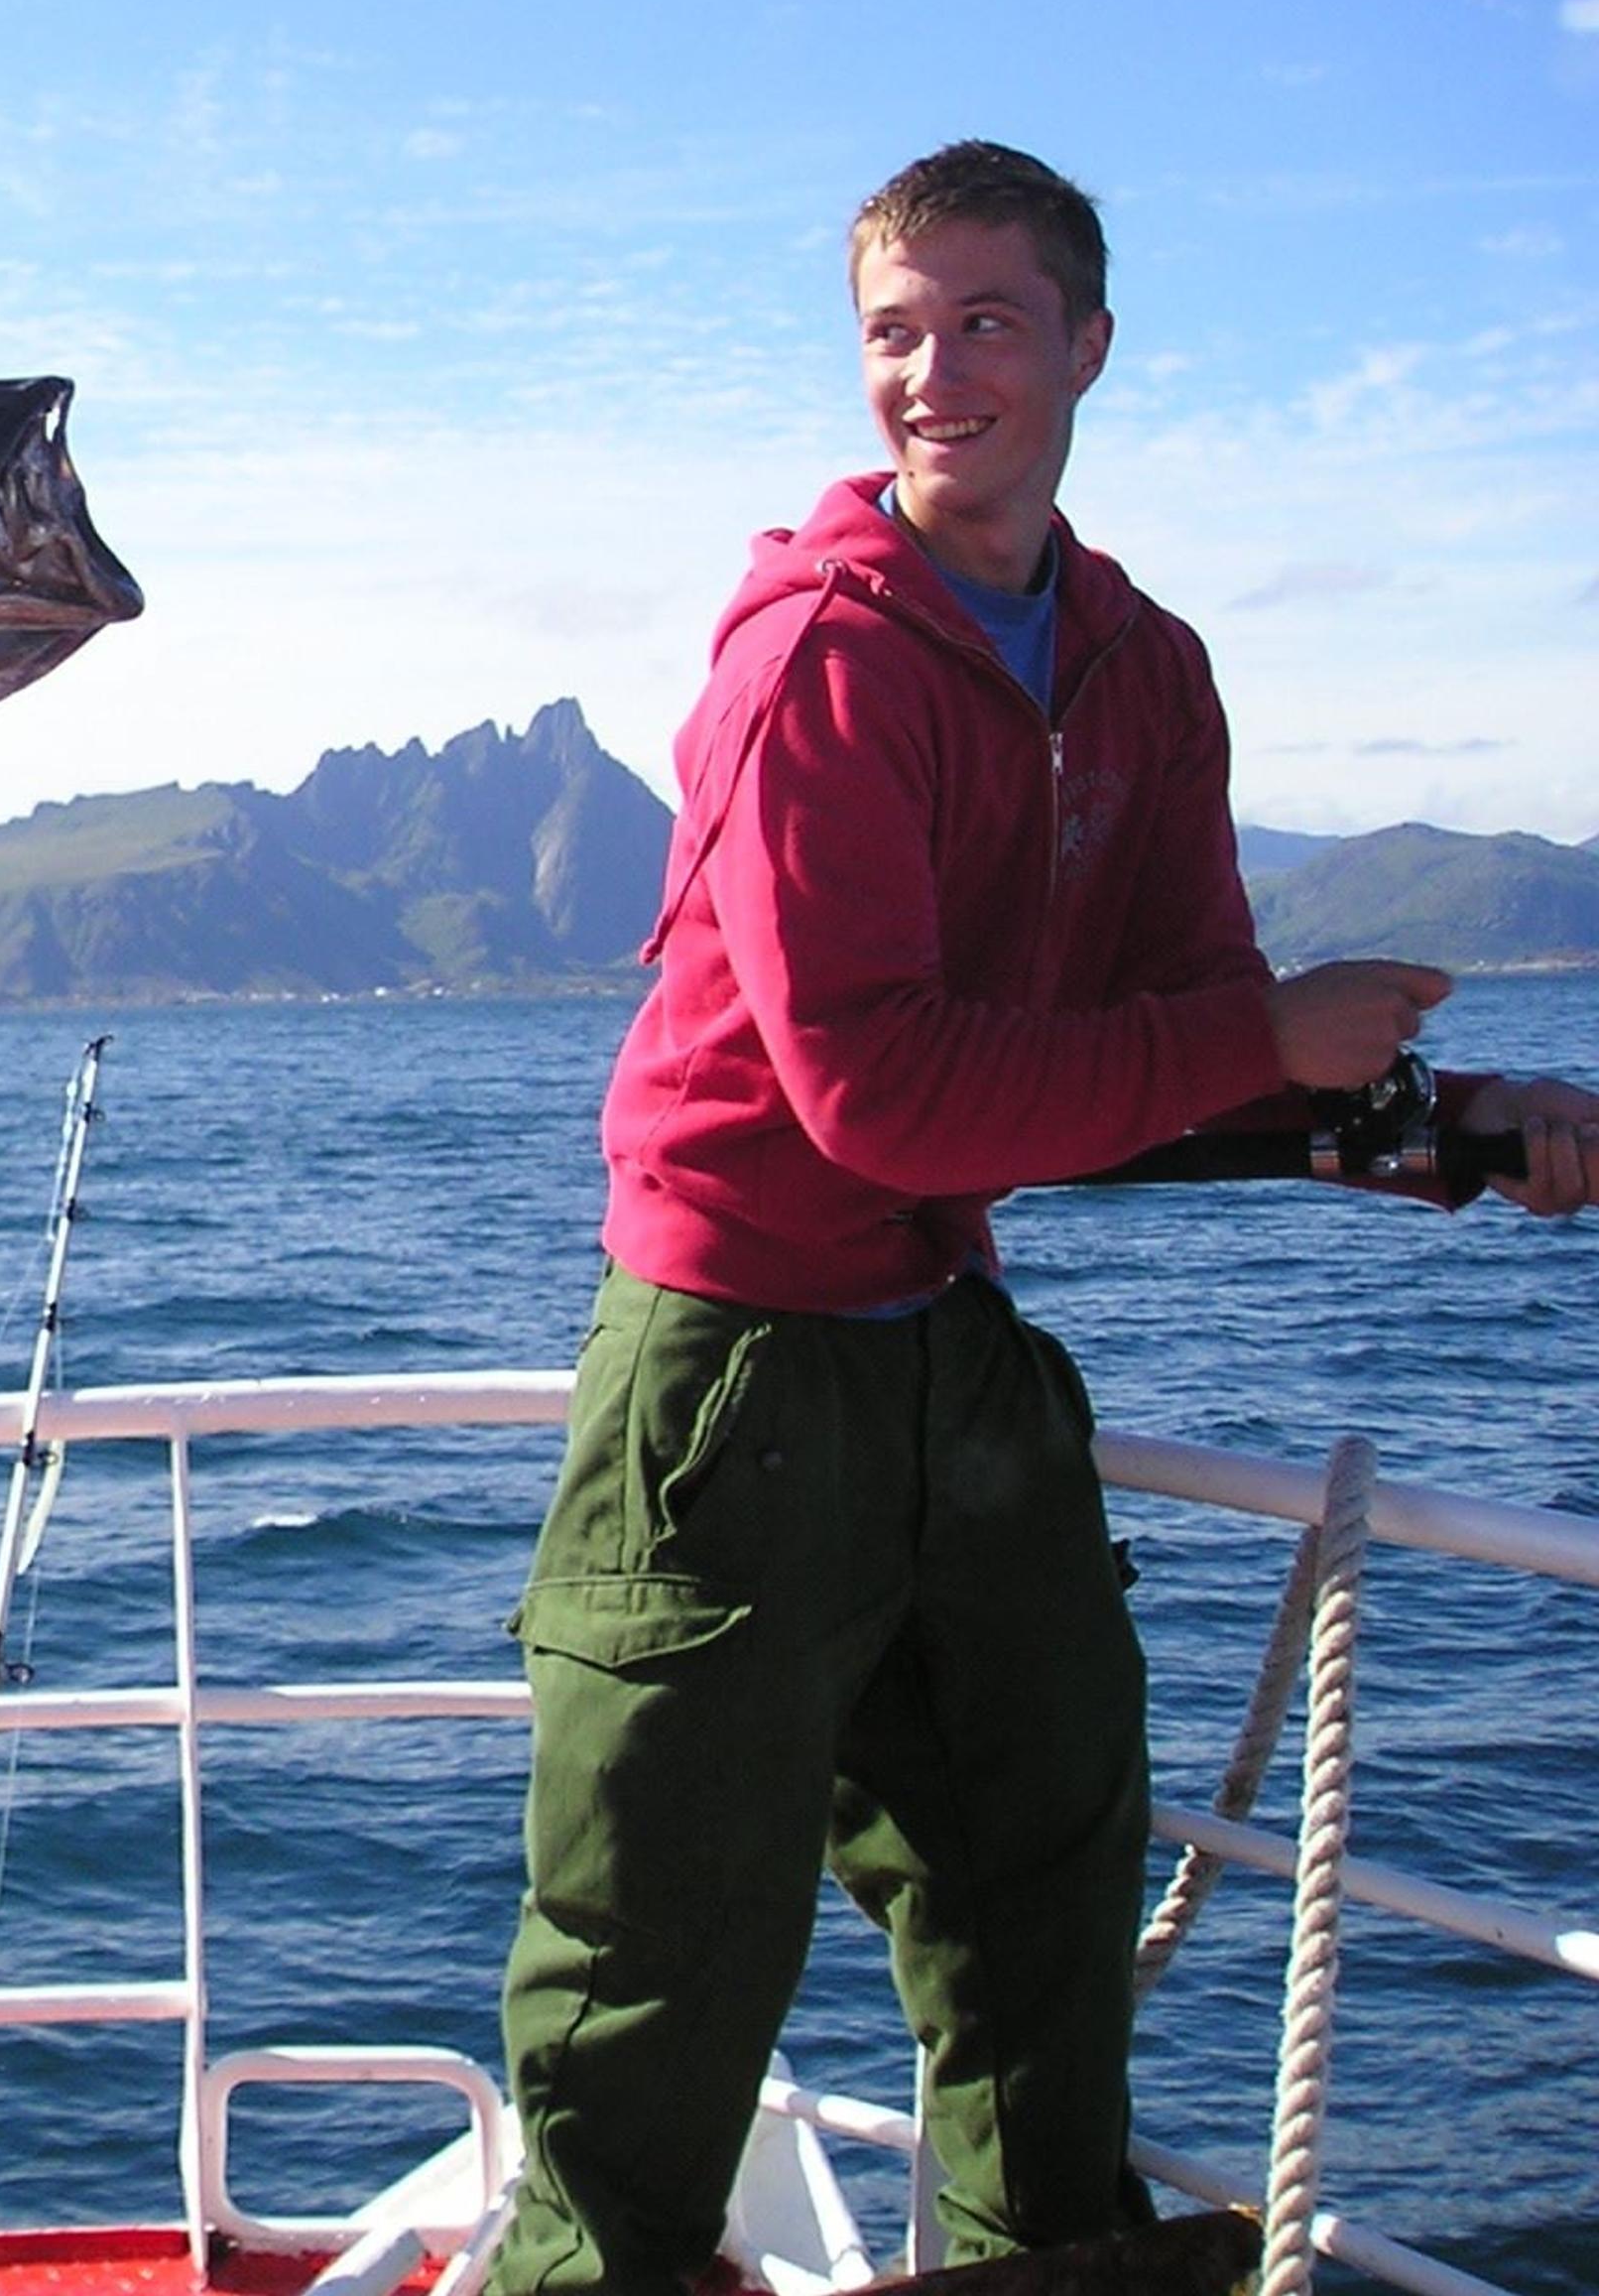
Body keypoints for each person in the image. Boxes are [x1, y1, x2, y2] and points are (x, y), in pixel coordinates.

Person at [490, 139, 1599, 2293]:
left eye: (986, 323)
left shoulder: (1142, 671)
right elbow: (879, 1095)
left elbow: (1185, 1049)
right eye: (895, 334)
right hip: (728, 1379)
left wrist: (1465, 1131)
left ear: (1089, 345)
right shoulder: (819, 668)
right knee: (656, 1970)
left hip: (945, 1337)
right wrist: (1261, 1033)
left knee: (1042, 1886)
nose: (936, 375)